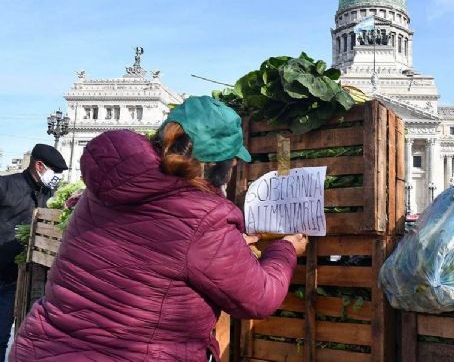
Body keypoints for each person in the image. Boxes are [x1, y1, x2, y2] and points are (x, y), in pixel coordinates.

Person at [10, 96, 308, 361]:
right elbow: (259, 297)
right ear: (213, 165)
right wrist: (285, 249)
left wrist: (227, 246)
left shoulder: (106, 187)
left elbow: (154, 249)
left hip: (41, 348)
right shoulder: (202, 217)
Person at [0, 144, 67, 361]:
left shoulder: (50, 195)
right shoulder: (5, 186)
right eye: (55, 172)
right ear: (39, 166)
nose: (56, 178)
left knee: (1, 337)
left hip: (15, 281)